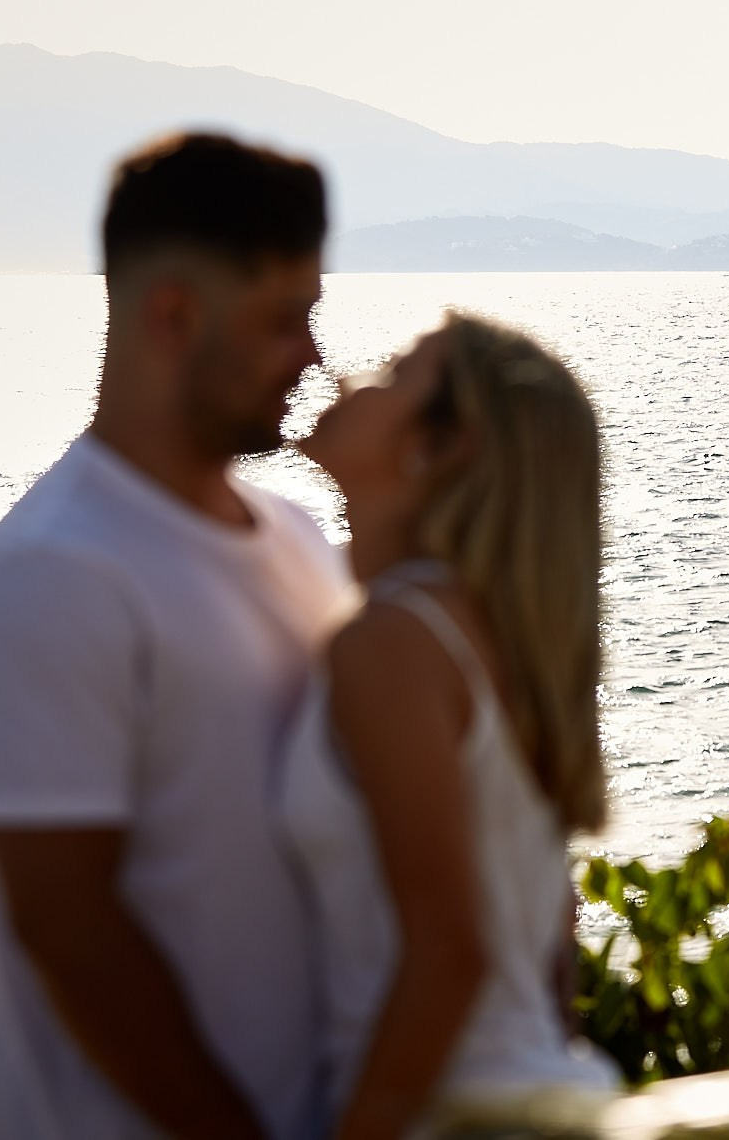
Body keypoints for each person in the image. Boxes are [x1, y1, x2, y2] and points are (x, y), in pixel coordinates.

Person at [0, 133, 354, 1138]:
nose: (311, 355)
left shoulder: (301, 541)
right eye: (283, 320)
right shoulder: (54, 570)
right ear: (172, 315)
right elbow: (69, 928)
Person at [281, 312, 619, 1140]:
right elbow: (549, 955)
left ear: (438, 447)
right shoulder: (487, 640)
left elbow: (451, 953)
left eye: (395, 371)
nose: (348, 372)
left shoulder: (392, 645)